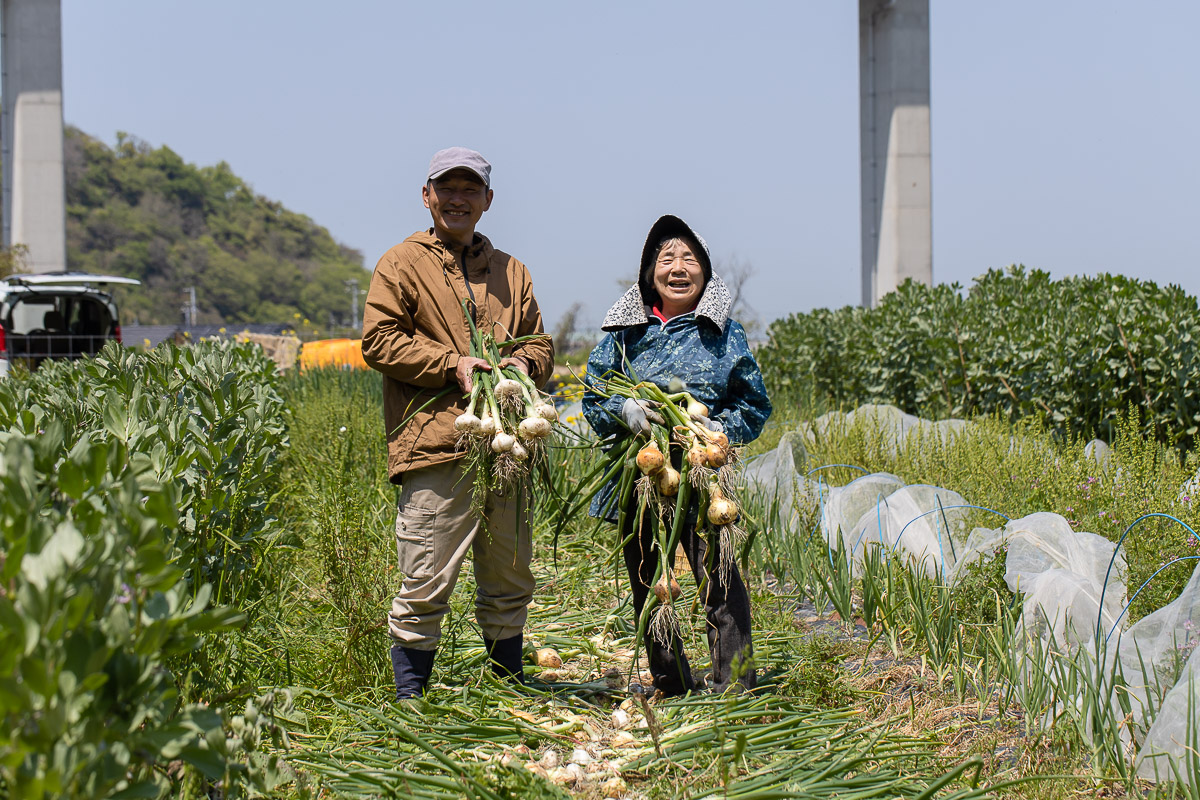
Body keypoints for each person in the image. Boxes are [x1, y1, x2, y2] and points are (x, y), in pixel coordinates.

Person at [362, 147, 554, 699]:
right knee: (426, 573)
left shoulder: (511, 271)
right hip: (437, 443)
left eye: (470, 190)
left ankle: (507, 683)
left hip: (509, 446)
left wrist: (522, 363)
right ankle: (410, 697)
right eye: (447, 188)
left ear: (488, 201)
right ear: (427, 196)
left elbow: (538, 340)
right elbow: (378, 341)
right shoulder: (401, 263)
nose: (458, 199)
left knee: (510, 574)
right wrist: (452, 364)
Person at [582, 215, 772, 696]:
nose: (678, 267)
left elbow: (754, 404)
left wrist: (715, 429)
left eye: (690, 258)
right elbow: (592, 396)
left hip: (703, 475)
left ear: (706, 275)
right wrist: (623, 409)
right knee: (649, 580)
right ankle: (671, 680)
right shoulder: (624, 332)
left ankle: (736, 682)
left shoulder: (726, 334)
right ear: (649, 272)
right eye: (667, 257)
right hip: (640, 475)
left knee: (721, 579)